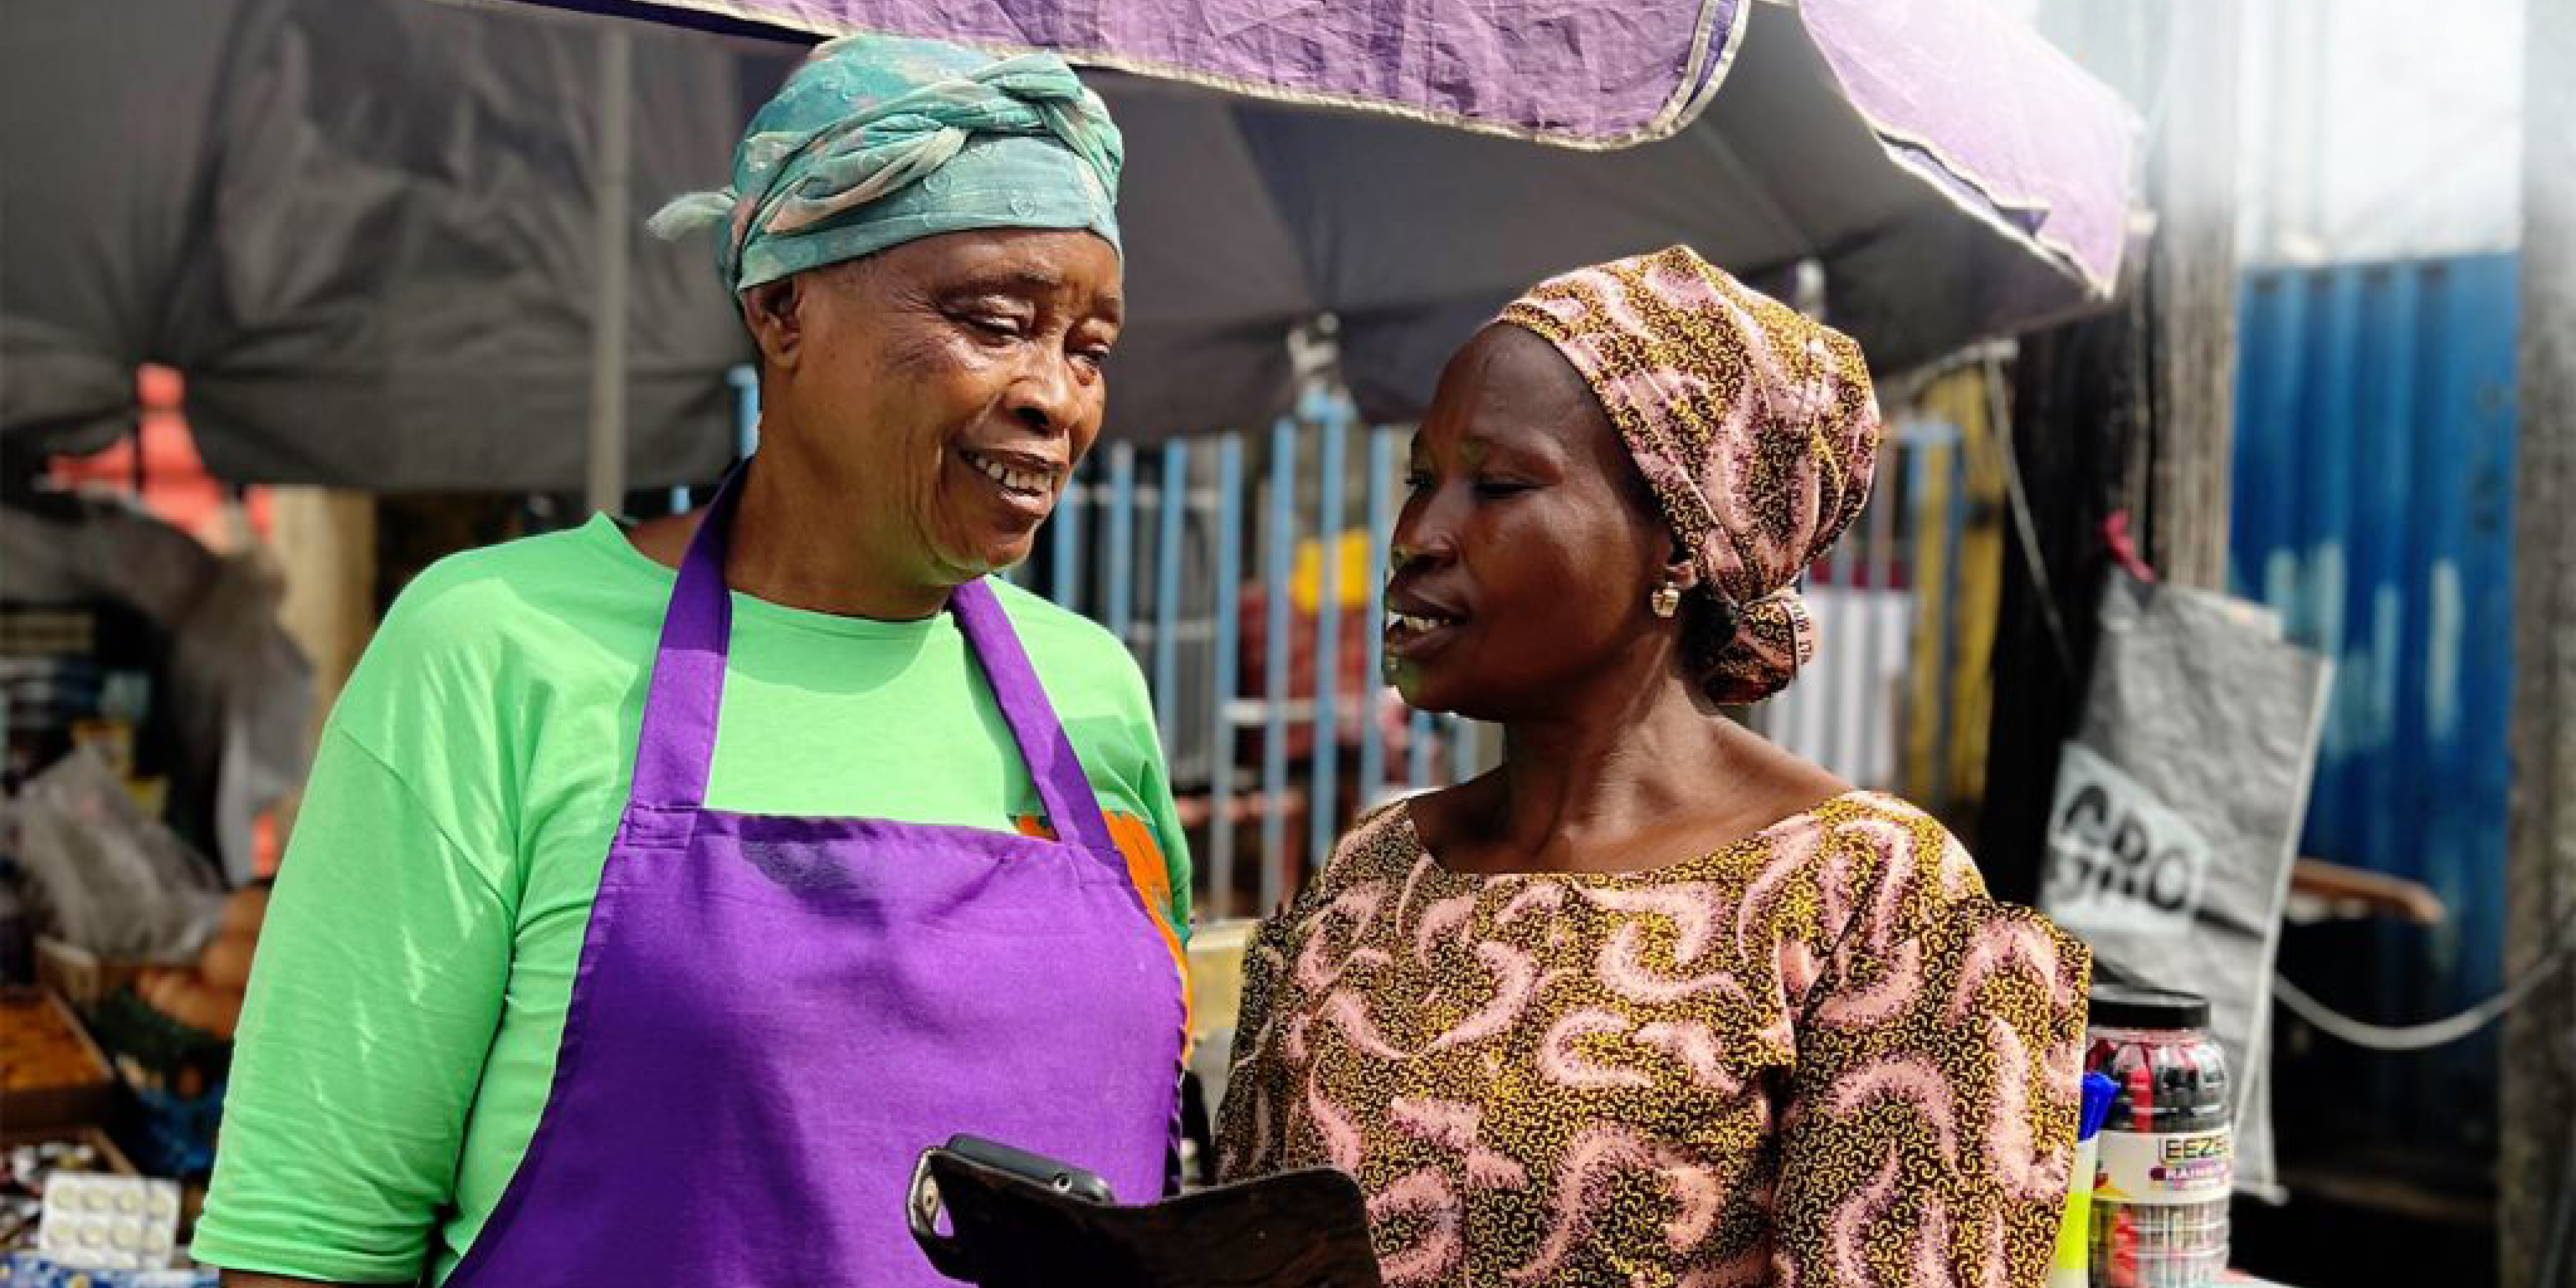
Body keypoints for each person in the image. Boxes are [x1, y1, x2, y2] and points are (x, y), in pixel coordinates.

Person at [195, 34, 1191, 1287]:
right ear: (783, 308)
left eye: (1088, 348)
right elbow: (308, 1249)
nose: (1057, 396)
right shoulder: (497, 649)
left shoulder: (1089, 695)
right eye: (995, 322)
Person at [1216, 246, 2090, 1287]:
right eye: (1422, 479)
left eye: (1495, 485)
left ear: (1681, 543)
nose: (1419, 534)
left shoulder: (1869, 898)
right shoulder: (1375, 873)